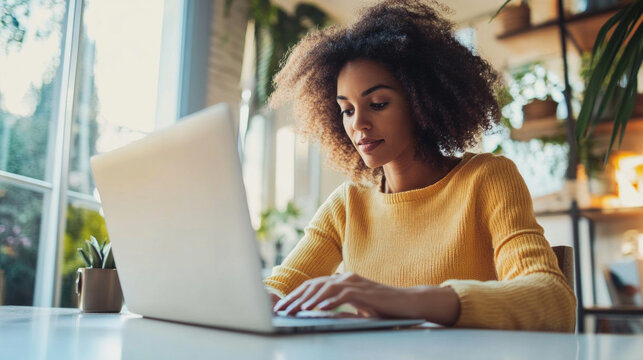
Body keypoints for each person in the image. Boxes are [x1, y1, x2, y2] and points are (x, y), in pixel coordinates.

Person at [263, 0, 576, 332]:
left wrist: (406, 301)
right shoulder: (347, 204)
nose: (359, 124)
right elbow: (279, 289)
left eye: (378, 103)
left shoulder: (486, 178)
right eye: (347, 110)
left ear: (421, 100)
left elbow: (554, 300)